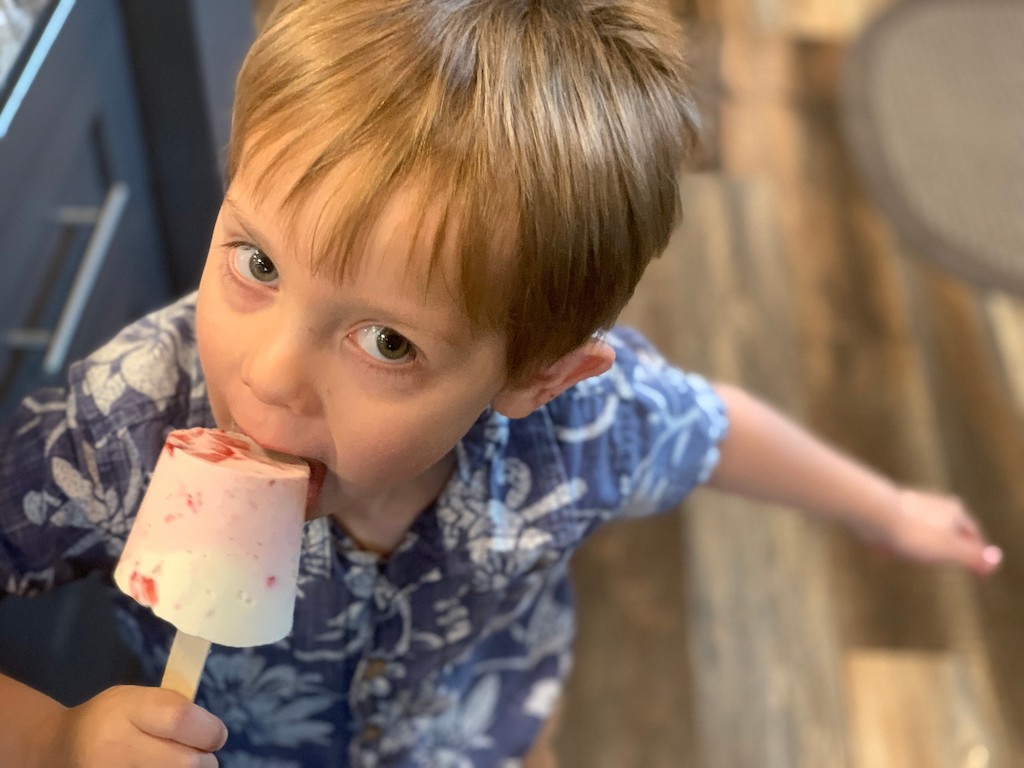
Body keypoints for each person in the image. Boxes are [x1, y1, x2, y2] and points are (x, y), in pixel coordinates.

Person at [0, 0, 1003, 765]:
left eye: (389, 342)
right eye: (257, 263)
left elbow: (712, 431)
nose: (267, 376)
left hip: (484, 723)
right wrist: (52, 740)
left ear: (536, 375)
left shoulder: (576, 429)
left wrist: (887, 508)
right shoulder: (118, 426)